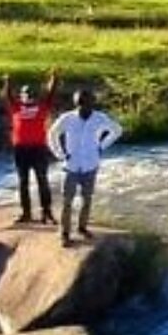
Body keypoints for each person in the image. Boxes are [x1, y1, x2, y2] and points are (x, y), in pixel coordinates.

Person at [47, 88, 123, 248]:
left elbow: (117, 130)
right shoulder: (67, 118)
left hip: (90, 164)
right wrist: (60, 153)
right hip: (71, 165)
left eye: (86, 103)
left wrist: (102, 146)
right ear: (76, 103)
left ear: (92, 103)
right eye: (80, 103)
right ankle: (64, 233)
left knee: (86, 199)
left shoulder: (99, 118)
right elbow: (52, 134)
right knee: (67, 201)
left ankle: (82, 228)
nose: (83, 106)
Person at [0, 67, 59, 225]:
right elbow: (7, 95)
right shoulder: (16, 107)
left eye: (31, 94)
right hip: (21, 150)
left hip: (38, 149)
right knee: (23, 181)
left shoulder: (42, 106)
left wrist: (54, 78)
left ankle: (46, 212)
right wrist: (7, 82)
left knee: (42, 180)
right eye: (25, 94)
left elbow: (50, 93)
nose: (28, 96)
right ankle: (26, 213)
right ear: (21, 96)